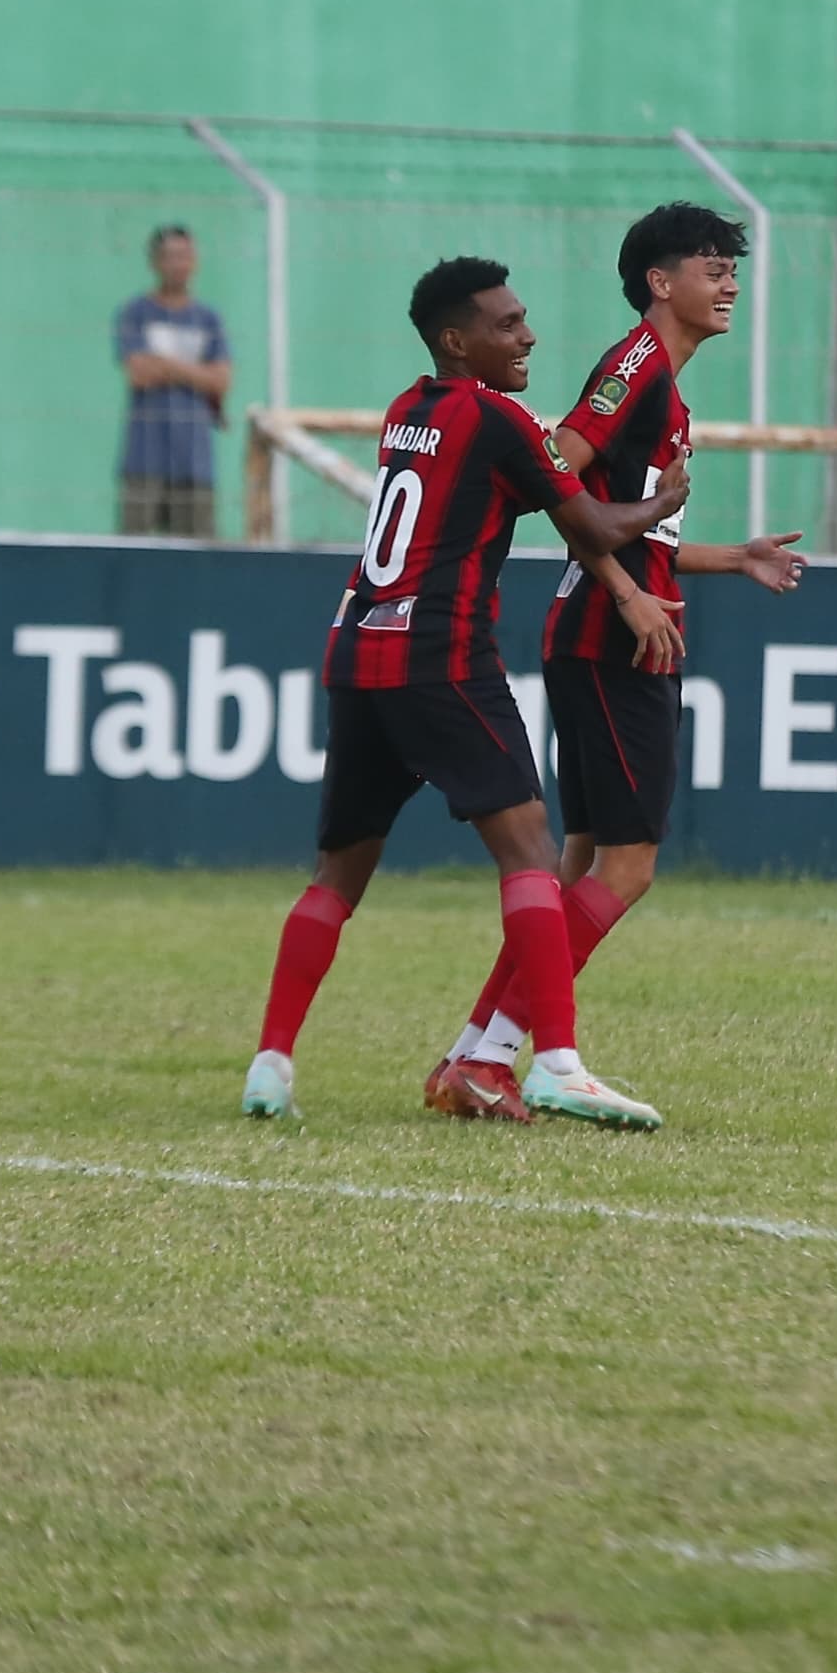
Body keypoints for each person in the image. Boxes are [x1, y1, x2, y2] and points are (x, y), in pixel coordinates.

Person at [243, 255, 687, 1130]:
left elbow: (489, 501)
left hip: (358, 647)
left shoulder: (407, 411)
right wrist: (660, 501)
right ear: (458, 340)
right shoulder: (499, 420)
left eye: (523, 320)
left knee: (337, 875)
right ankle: (554, 1060)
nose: (527, 337)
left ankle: (271, 1065)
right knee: (530, 851)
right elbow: (592, 524)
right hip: (441, 655)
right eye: (507, 325)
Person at [426, 203, 806, 1125]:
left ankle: (474, 1056)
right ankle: (520, 1056)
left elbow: (628, 524)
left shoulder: (663, 387)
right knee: (627, 867)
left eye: (731, 268)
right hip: (612, 640)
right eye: (711, 267)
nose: (729, 284)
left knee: (580, 865)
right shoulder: (636, 366)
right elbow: (554, 471)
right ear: (658, 283)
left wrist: (727, 557)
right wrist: (630, 593)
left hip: (602, 630)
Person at [116, 225, 233, 538]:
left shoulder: (208, 318)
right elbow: (139, 373)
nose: (178, 264)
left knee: (198, 556)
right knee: (135, 551)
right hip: (144, 458)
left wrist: (163, 364)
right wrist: (197, 372)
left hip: (194, 460)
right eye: (170, 256)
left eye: (185, 256)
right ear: (155, 262)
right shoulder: (135, 313)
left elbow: (221, 381)